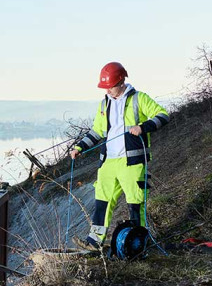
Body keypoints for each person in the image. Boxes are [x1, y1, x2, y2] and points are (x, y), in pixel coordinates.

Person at [69, 62, 169, 250]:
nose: (107, 90)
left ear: (121, 81)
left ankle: (137, 244)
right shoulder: (104, 103)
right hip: (108, 162)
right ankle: (94, 243)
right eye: (105, 87)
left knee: (135, 201)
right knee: (102, 201)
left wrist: (143, 127)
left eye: (110, 86)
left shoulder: (140, 99)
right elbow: (97, 131)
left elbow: (163, 115)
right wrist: (79, 147)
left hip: (132, 162)